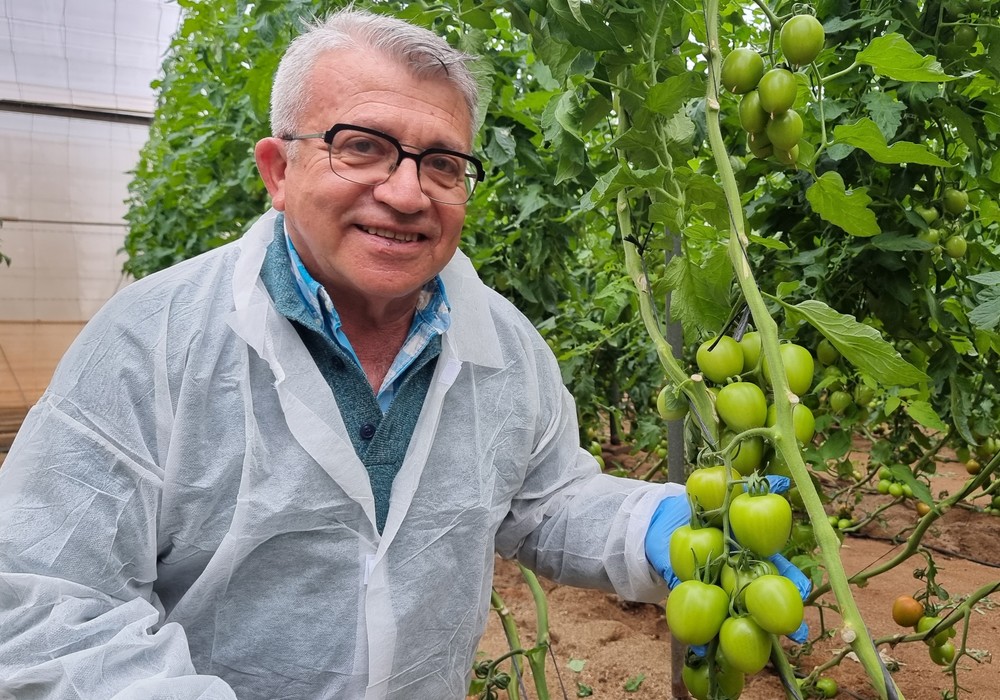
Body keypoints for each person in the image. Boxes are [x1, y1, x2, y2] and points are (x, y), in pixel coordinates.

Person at [0, 8, 806, 700]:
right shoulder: (153, 337)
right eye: (362, 147)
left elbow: (542, 500)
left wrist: (651, 525)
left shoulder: (504, 344)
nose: (407, 190)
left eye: (443, 163)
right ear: (278, 170)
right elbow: (44, 598)